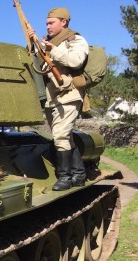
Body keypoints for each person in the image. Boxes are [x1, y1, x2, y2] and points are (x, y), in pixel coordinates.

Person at [28, 7, 89, 191]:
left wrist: (52, 50)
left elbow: (76, 61)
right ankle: (79, 174)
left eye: (51, 22)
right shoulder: (46, 41)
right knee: (65, 137)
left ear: (64, 22)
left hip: (69, 94)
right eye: (46, 23)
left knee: (60, 135)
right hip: (52, 97)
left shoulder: (75, 40)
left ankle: (65, 177)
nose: (47, 26)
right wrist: (34, 42)